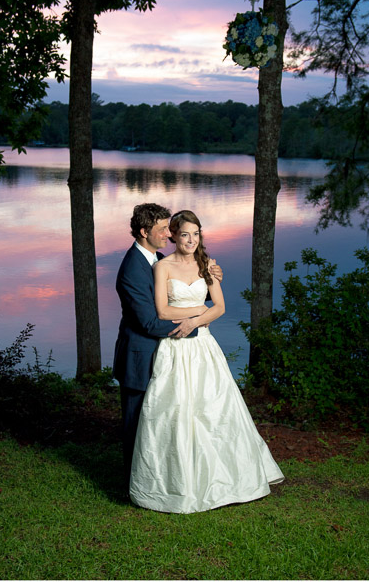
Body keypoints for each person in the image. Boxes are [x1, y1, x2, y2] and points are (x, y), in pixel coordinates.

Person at [129, 209, 284, 513]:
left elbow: (221, 307)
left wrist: (195, 322)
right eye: (184, 234)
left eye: (196, 234)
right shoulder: (162, 267)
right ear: (173, 235)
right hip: (175, 347)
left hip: (202, 345)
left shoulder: (207, 265)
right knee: (174, 410)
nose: (190, 240)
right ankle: (178, 483)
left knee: (214, 407)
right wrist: (194, 315)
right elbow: (161, 311)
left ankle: (226, 478)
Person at [114, 203, 220, 494]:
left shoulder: (156, 259)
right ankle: (132, 488)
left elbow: (178, 288)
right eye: (163, 229)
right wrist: (195, 326)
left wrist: (208, 274)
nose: (170, 234)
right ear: (144, 231)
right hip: (140, 356)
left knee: (158, 422)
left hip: (164, 355)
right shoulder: (132, 270)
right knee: (136, 425)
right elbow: (149, 322)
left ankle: (159, 480)